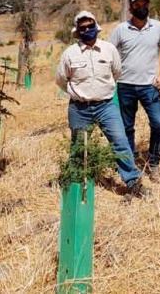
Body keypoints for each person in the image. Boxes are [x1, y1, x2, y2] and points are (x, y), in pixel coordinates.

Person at [55, 11, 144, 197]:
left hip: (106, 106)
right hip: (79, 109)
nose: (87, 30)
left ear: (96, 27)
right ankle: (76, 184)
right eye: (83, 28)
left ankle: (133, 182)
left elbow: (116, 73)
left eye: (90, 26)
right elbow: (61, 80)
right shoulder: (69, 54)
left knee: (120, 142)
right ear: (77, 31)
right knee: (79, 147)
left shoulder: (109, 49)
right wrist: (79, 94)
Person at [110, 0, 160, 180]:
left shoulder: (158, 27)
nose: (141, 7)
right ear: (131, 7)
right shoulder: (120, 29)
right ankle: (130, 162)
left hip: (149, 86)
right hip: (125, 85)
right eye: (137, 4)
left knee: (159, 124)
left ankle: (154, 162)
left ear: (149, 6)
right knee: (127, 127)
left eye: (144, 3)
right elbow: (110, 53)